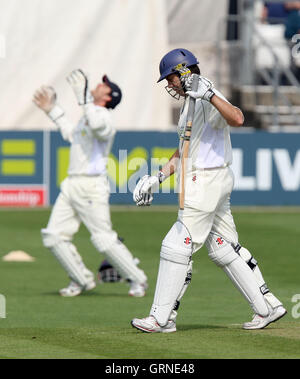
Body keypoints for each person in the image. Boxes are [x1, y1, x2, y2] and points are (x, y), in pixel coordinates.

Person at [131, 48, 286, 333]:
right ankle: (267, 307)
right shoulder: (190, 101)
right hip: (212, 180)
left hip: (205, 182)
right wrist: (158, 177)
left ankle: (160, 319)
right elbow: (184, 150)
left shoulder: (207, 94)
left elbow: (237, 118)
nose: (169, 85)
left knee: (176, 246)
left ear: (185, 71)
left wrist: (210, 95)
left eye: (171, 78)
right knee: (222, 247)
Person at [33, 69, 147, 297]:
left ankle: (138, 279)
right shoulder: (88, 113)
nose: (99, 84)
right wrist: (52, 110)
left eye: (104, 85)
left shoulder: (104, 117)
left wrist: (83, 99)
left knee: (103, 239)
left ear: (108, 97)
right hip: (72, 184)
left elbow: (97, 127)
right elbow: (72, 134)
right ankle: (81, 279)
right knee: (53, 235)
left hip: (91, 186)